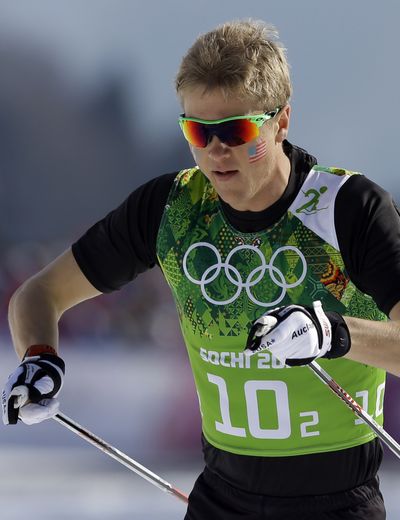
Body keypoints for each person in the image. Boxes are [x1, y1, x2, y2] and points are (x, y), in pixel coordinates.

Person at [2, 19, 400, 520]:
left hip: (337, 504)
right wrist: (39, 357)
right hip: (221, 500)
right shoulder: (173, 208)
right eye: (197, 130)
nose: (215, 151)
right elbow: (38, 295)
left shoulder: (346, 209)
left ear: (281, 122)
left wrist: (333, 333)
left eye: (235, 131)